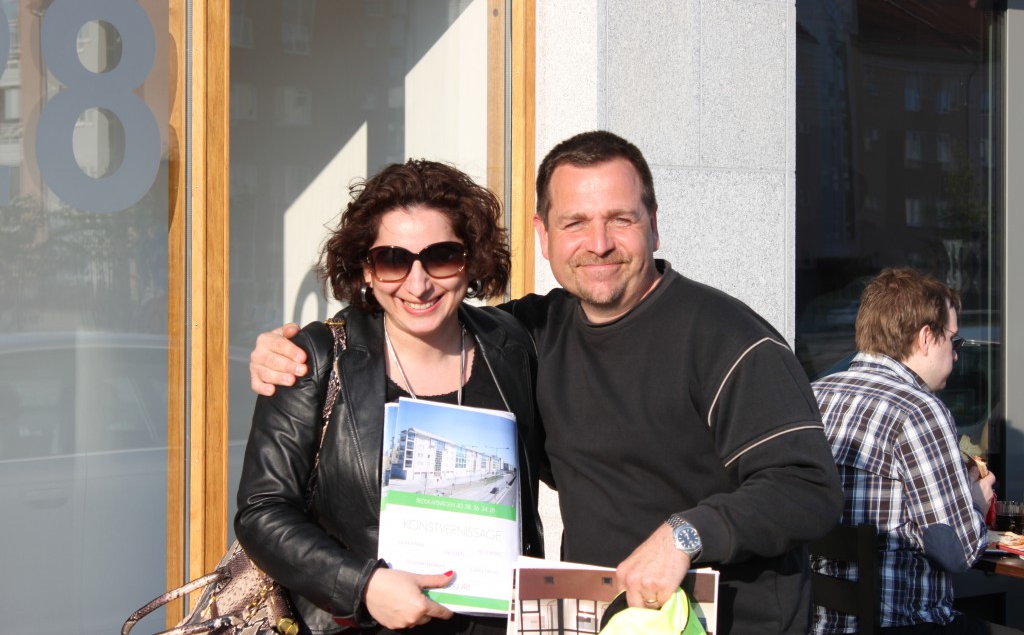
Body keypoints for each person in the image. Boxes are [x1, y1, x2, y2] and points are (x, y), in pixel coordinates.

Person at [250, 130, 845, 634]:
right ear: (544, 235)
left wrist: (684, 534)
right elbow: (420, 316)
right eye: (575, 222)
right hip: (590, 618)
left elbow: (808, 488)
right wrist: (289, 350)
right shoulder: (530, 333)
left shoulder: (727, 339)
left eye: (620, 219)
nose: (599, 244)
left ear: (654, 225)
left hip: (724, 621)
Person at [235, 159, 545, 635]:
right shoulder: (315, 358)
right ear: (366, 268)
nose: (418, 285)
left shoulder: (510, 346)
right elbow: (262, 511)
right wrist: (363, 586)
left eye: (442, 256)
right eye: (393, 260)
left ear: (471, 261)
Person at [810, 267, 1012, 634]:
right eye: (954, 341)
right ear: (926, 338)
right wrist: (974, 501)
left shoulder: (814, 395)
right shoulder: (918, 410)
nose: (955, 355)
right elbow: (958, 552)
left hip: (821, 624)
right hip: (904, 624)